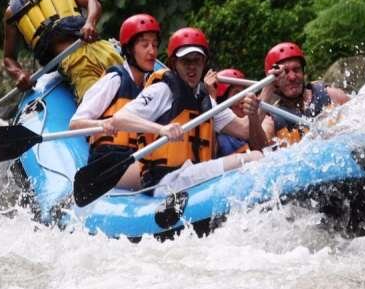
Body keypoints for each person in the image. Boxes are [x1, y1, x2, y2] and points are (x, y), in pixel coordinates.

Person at [111, 28, 264, 193]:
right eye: (185, 61)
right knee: (254, 158)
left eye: (197, 61)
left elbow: (245, 130)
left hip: (193, 179)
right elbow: (119, 119)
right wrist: (161, 129)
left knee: (258, 155)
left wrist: (255, 112)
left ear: (204, 63)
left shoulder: (206, 101)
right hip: (165, 182)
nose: (192, 67)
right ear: (173, 64)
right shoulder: (162, 91)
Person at [2, 0, 123, 102]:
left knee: (131, 87)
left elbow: (92, 1)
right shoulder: (13, 11)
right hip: (72, 64)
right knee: (99, 103)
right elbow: (8, 58)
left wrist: (90, 22)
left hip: (100, 49)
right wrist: (19, 74)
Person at [69, 13, 161, 188]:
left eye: (155, 45)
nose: (152, 51)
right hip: (109, 164)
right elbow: (75, 123)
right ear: (129, 50)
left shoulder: (151, 86)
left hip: (136, 158)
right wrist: (103, 125)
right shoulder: (114, 80)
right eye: (145, 45)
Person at [243, 42, 350, 145]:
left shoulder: (330, 95)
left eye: (296, 69)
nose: (292, 77)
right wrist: (253, 117)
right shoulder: (272, 120)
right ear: (273, 81)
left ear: (303, 72)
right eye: (285, 72)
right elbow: (260, 148)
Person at [212, 68, 251, 156]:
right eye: (237, 94)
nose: (243, 99)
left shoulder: (262, 120)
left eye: (244, 93)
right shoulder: (220, 139)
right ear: (223, 101)